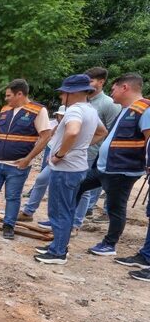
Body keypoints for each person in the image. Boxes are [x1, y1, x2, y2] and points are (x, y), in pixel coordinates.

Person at [33, 75, 108, 265]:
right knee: (66, 209)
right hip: (77, 166)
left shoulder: (75, 110)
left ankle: (58, 252)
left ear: (72, 93)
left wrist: (60, 154)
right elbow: (102, 132)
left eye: (63, 93)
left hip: (66, 168)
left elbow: (73, 131)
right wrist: (81, 146)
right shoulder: (90, 110)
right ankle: (58, 245)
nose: (61, 97)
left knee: (59, 210)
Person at [74, 73, 150, 256]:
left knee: (115, 207)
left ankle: (109, 244)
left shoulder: (144, 109)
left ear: (125, 87)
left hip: (122, 170)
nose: (111, 92)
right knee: (77, 185)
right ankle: (68, 222)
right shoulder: (125, 109)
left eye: (113, 89)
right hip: (105, 167)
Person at [0, 79, 52, 239]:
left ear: (19, 94)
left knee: (12, 197)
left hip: (18, 164)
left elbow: (46, 136)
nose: (6, 99)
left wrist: (28, 159)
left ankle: (8, 226)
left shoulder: (38, 111)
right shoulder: (6, 109)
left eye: (8, 95)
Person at [70, 67, 123, 227]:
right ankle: (68, 219)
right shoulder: (83, 100)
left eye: (91, 81)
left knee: (83, 187)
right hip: (75, 151)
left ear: (101, 82)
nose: (87, 84)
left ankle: (76, 222)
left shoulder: (109, 104)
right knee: (75, 186)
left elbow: (111, 131)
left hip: (93, 152)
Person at [17, 106, 66, 223]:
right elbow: (50, 139)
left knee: (64, 188)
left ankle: (71, 221)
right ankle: (28, 211)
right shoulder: (56, 125)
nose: (60, 118)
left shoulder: (74, 125)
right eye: (59, 115)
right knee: (41, 179)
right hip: (55, 156)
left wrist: (59, 155)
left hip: (67, 159)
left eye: (63, 116)